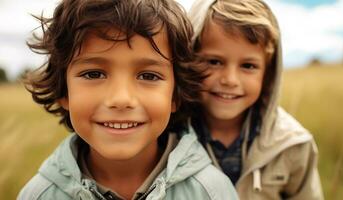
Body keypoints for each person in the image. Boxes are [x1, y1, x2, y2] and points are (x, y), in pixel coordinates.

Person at [17, 0, 239, 199]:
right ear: (64, 91)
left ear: (175, 95)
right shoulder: (38, 195)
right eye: (94, 74)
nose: (121, 99)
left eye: (148, 76)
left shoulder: (211, 192)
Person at [188, 0, 324, 199]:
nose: (230, 80)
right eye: (214, 62)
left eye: (248, 66)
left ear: (267, 74)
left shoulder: (293, 145)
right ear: (188, 60)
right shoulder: (166, 137)